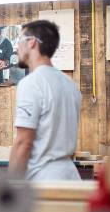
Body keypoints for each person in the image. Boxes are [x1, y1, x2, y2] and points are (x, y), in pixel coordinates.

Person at [9, 20, 81, 180]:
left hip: (44, 180)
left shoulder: (31, 83)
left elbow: (23, 142)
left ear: (32, 42)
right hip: (71, 177)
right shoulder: (70, 85)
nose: (16, 48)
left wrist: (11, 188)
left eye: (19, 41)